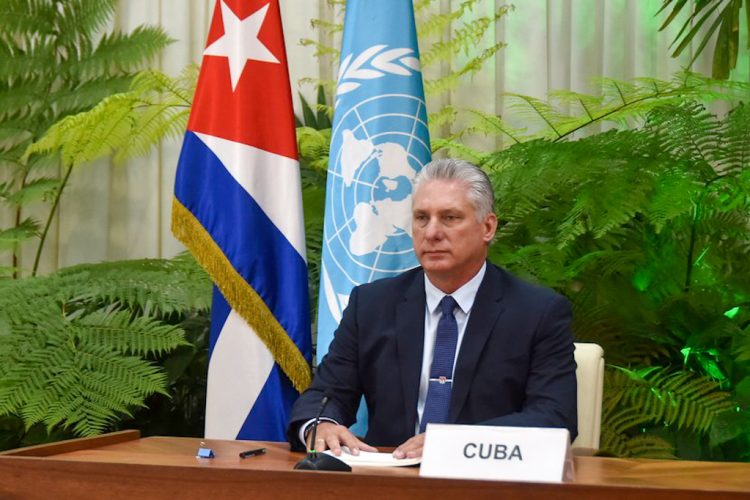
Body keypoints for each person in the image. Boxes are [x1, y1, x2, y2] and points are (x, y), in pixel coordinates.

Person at [287, 158, 577, 459]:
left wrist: (454, 443)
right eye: (422, 218)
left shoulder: (537, 312)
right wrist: (319, 425)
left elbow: (554, 417)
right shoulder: (372, 305)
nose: (432, 232)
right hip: (388, 485)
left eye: (450, 218)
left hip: (487, 483)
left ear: (487, 227)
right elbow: (325, 395)